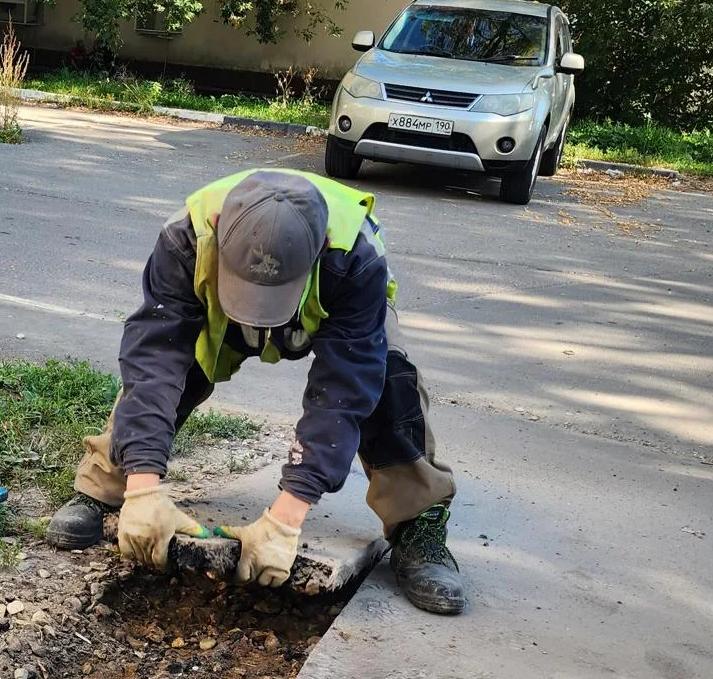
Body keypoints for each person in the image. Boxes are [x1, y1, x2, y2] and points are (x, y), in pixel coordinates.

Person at [44, 168, 469, 615]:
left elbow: (344, 391)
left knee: (387, 381)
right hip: (216, 297)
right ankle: (107, 483)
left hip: (336, 300)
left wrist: (287, 516)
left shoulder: (354, 256)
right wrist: (144, 488)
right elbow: (153, 362)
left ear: (320, 250)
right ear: (219, 234)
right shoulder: (185, 239)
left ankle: (417, 522)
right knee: (172, 363)